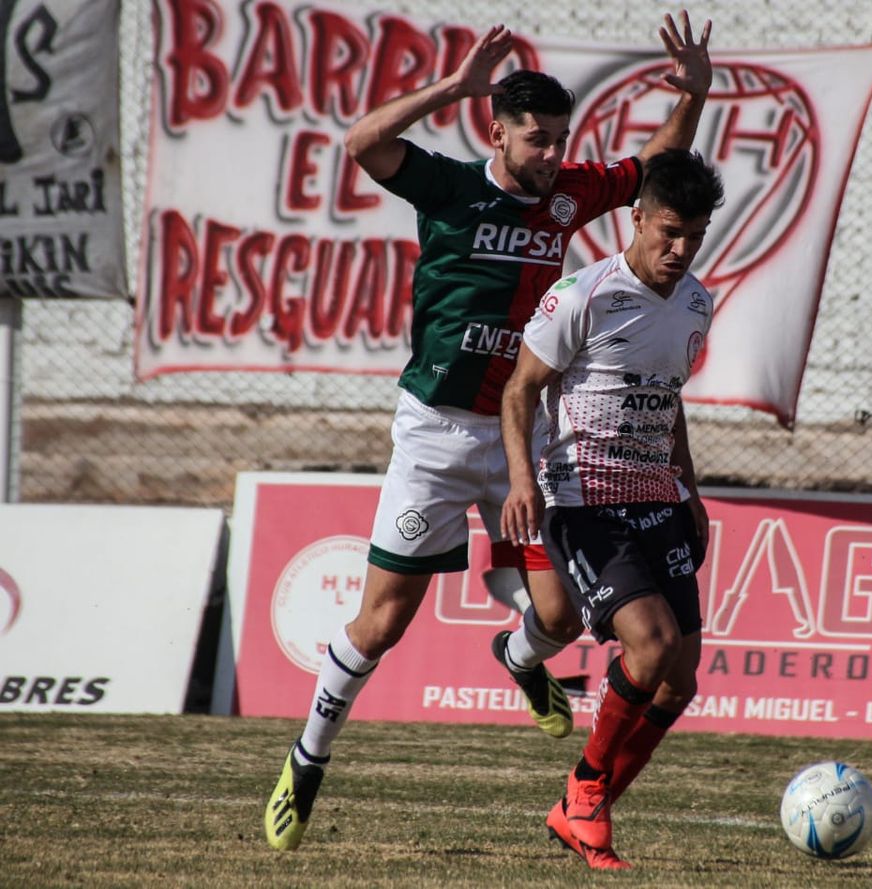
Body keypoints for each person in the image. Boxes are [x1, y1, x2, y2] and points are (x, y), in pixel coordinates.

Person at [264, 15, 713, 852]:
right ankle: (306, 757)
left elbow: (654, 173)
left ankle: (516, 655)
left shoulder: (570, 192)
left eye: (560, 141)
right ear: (496, 131)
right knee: (384, 622)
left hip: (523, 432)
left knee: (565, 610)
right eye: (535, 140)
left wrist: (690, 94)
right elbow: (361, 142)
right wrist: (450, 85)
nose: (549, 156)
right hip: (436, 433)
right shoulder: (447, 187)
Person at [499, 148, 725, 870]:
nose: (681, 249)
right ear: (636, 218)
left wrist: (687, 485)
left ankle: (578, 810)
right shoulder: (583, 295)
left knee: (681, 676)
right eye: (668, 231)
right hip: (582, 498)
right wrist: (520, 480)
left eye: (695, 234)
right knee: (650, 644)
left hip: (657, 498)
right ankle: (587, 787)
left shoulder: (697, 303)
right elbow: (519, 390)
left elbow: (667, 400)